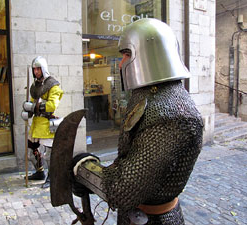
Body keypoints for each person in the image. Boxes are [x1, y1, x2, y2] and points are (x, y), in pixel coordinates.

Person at [71, 18, 203, 224]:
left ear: (151, 54)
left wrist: (82, 168)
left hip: (156, 219)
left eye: (126, 54)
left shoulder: (172, 116)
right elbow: (131, 160)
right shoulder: (152, 96)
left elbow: (123, 190)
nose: (122, 63)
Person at [22, 56, 63, 188]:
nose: (36, 72)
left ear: (43, 69)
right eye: (34, 69)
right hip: (36, 124)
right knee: (30, 152)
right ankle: (40, 172)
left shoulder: (53, 85)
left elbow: (51, 106)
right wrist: (28, 109)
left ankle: (53, 177)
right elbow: (34, 102)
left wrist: (34, 107)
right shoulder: (35, 86)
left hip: (46, 124)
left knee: (49, 155)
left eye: (38, 69)